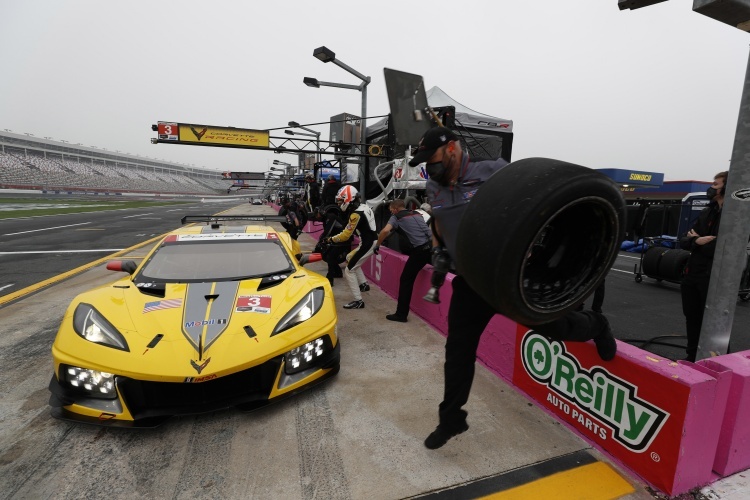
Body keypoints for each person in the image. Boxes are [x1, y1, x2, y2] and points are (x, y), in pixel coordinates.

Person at [408, 126, 617, 450]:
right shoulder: (434, 185)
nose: (429, 166)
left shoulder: (495, 173)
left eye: (431, 157)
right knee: (458, 351)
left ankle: (597, 324)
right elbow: (439, 220)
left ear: (451, 149)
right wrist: (440, 250)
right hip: (471, 281)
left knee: (556, 328)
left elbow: (540, 210)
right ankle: (450, 420)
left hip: (512, 280)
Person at [679, 171, 727, 362]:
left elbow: (724, 248)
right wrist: (698, 241)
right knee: (692, 318)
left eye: (715, 185)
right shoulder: (708, 210)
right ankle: (691, 359)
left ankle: (719, 363)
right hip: (693, 274)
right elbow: (684, 240)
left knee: (715, 325)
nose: (711, 188)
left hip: (714, 277)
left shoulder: (735, 215)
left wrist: (696, 241)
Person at [374, 198, 433, 322]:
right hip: (432, 248)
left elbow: (385, 231)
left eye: (391, 210)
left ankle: (401, 314)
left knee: (406, 280)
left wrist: (378, 245)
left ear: (395, 209)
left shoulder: (396, 217)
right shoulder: (417, 213)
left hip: (420, 251)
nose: (391, 212)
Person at [325, 185, 377, 309]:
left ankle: (358, 300)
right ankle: (364, 284)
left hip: (367, 243)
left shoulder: (355, 214)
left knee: (349, 270)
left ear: (348, 199)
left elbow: (345, 235)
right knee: (349, 257)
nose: (339, 203)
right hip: (370, 241)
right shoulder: (364, 207)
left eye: (341, 200)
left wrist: (330, 239)